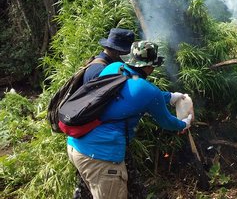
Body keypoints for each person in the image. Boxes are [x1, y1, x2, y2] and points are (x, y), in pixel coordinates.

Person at [67, 41, 193, 199]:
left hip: (76, 144)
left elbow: (130, 94)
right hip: (101, 157)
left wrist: (169, 97)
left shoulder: (114, 68)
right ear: (148, 67)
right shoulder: (148, 91)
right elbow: (166, 121)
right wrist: (184, 123)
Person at [74, 28, 135, 199]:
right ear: (117, 51)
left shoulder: (96, 63)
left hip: (86, 142)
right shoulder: (102, 71)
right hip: (97, 145)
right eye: (124, 52)